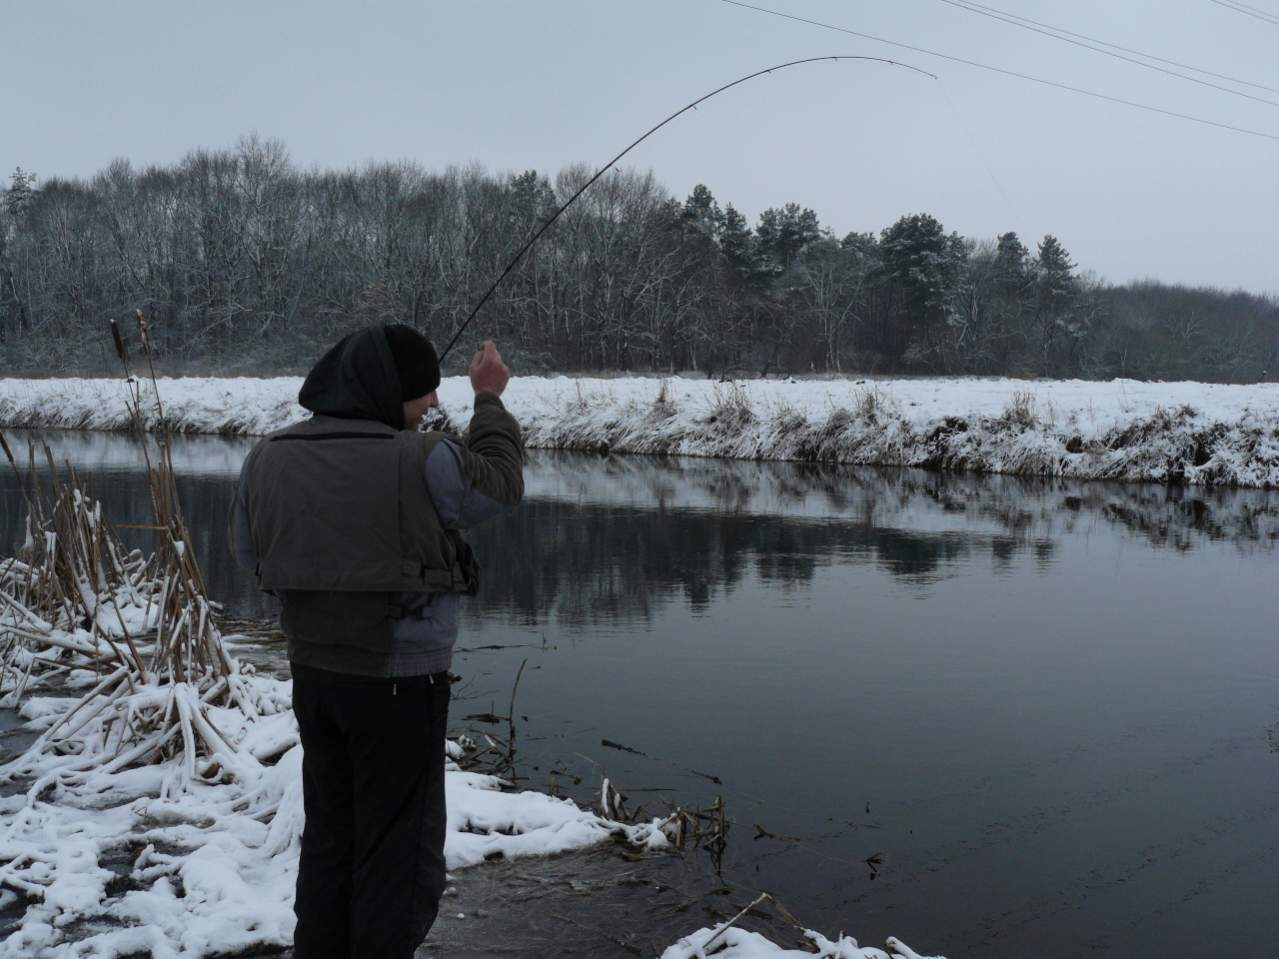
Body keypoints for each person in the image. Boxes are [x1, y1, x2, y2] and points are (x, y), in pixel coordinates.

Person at [230, 324, 523, 959]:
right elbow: (501, 483)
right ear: (386, 392)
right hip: (401, 687)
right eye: (423, 393)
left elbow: (249, 556)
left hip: (315, 681)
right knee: (400, 861)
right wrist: (489, 399)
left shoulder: (265, 456)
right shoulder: (426, 459)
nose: (433, 403)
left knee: (331, 843)